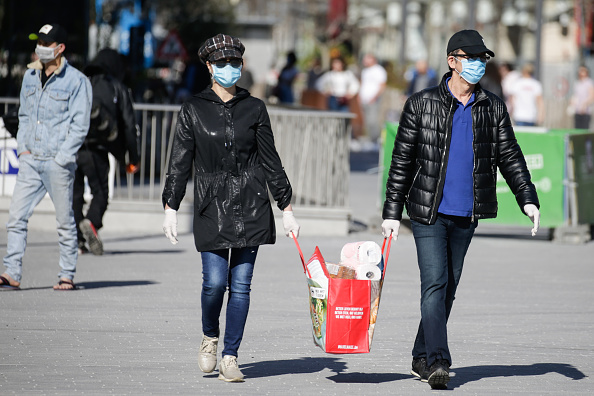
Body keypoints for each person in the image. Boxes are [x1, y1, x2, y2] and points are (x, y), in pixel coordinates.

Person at [381, 29, 540, 390]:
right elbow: (402, 161)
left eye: (483, 59)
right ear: (452, 60)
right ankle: (439, 362)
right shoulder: (421, 104)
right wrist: (392, 212)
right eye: (471, 58)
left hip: (467, 213)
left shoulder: (492, 106)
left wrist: (527, 197)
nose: (479, 64)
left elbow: (510, 156)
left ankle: (421, 355)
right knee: (434, 282)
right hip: (427, 211)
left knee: (448, 287)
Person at [161, 33, 300, 382]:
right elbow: (180, 161)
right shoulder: (193, 108)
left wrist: (287, 207)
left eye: (235, 63)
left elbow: (271, 160)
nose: (229, 69)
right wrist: (170, 206)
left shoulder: (254, 108)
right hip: (210, 203)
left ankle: (230, 355)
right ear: (209, 67)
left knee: (241, 285)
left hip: (251, 203)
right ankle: (210, 337)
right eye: (222, 63)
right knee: (215, 282)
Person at [1, 24, 92, 291]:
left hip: (57, 162)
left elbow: (80, 124)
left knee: (65, 222)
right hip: (31, 159)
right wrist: (23, 148)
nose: (40, 46)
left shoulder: (77, 81)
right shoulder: (30, 76)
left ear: (60, 48)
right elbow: (25, 116)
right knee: (16, 217)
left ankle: (66, 274)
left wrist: (62, 157)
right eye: (38, 41)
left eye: (46, 42)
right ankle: (11, 272)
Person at [73, 48, 140, 255]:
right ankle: (91, 223)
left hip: (71, 147)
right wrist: (132, 157)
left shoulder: (78, 82)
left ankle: (77, 240)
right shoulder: (117, 87)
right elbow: (129, 126)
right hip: (97, 149)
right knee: (100, 191)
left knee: (74, 195)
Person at [358, 54, 387, 145]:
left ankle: (375, 140)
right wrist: (359, 96)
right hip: (364, 100)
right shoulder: (365, 71)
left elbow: (382, 85)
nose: (364, 61)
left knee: (373, 120)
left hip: (373, 100)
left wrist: (375, 97)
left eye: (367, 59)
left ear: (373, 60)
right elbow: (363, 84)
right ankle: (370, 139)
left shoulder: (379, 70)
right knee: (366, 120)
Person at [569, 65, 594, 129]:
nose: (581, 72)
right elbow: (575, 96)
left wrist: (584, 104)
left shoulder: (589, 82)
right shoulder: (577, 83)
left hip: (585, 112)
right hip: (577, 111)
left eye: (583, 71)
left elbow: (591, 96)